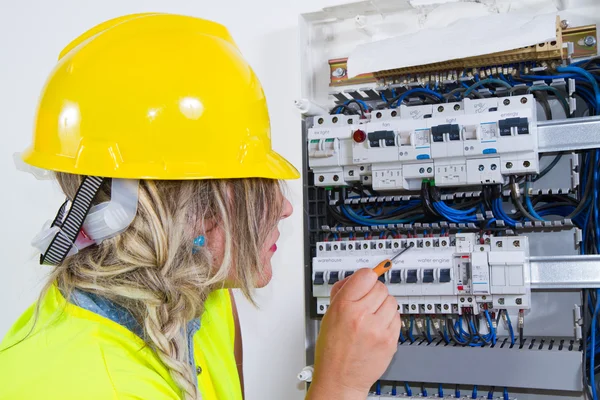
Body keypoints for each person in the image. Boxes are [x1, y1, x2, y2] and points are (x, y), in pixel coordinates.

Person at [0, 13, 400, 400]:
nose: (284, 207)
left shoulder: (200, 294)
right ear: (187, 208)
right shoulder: (96, 388)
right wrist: (340, 385)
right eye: (257, 184)